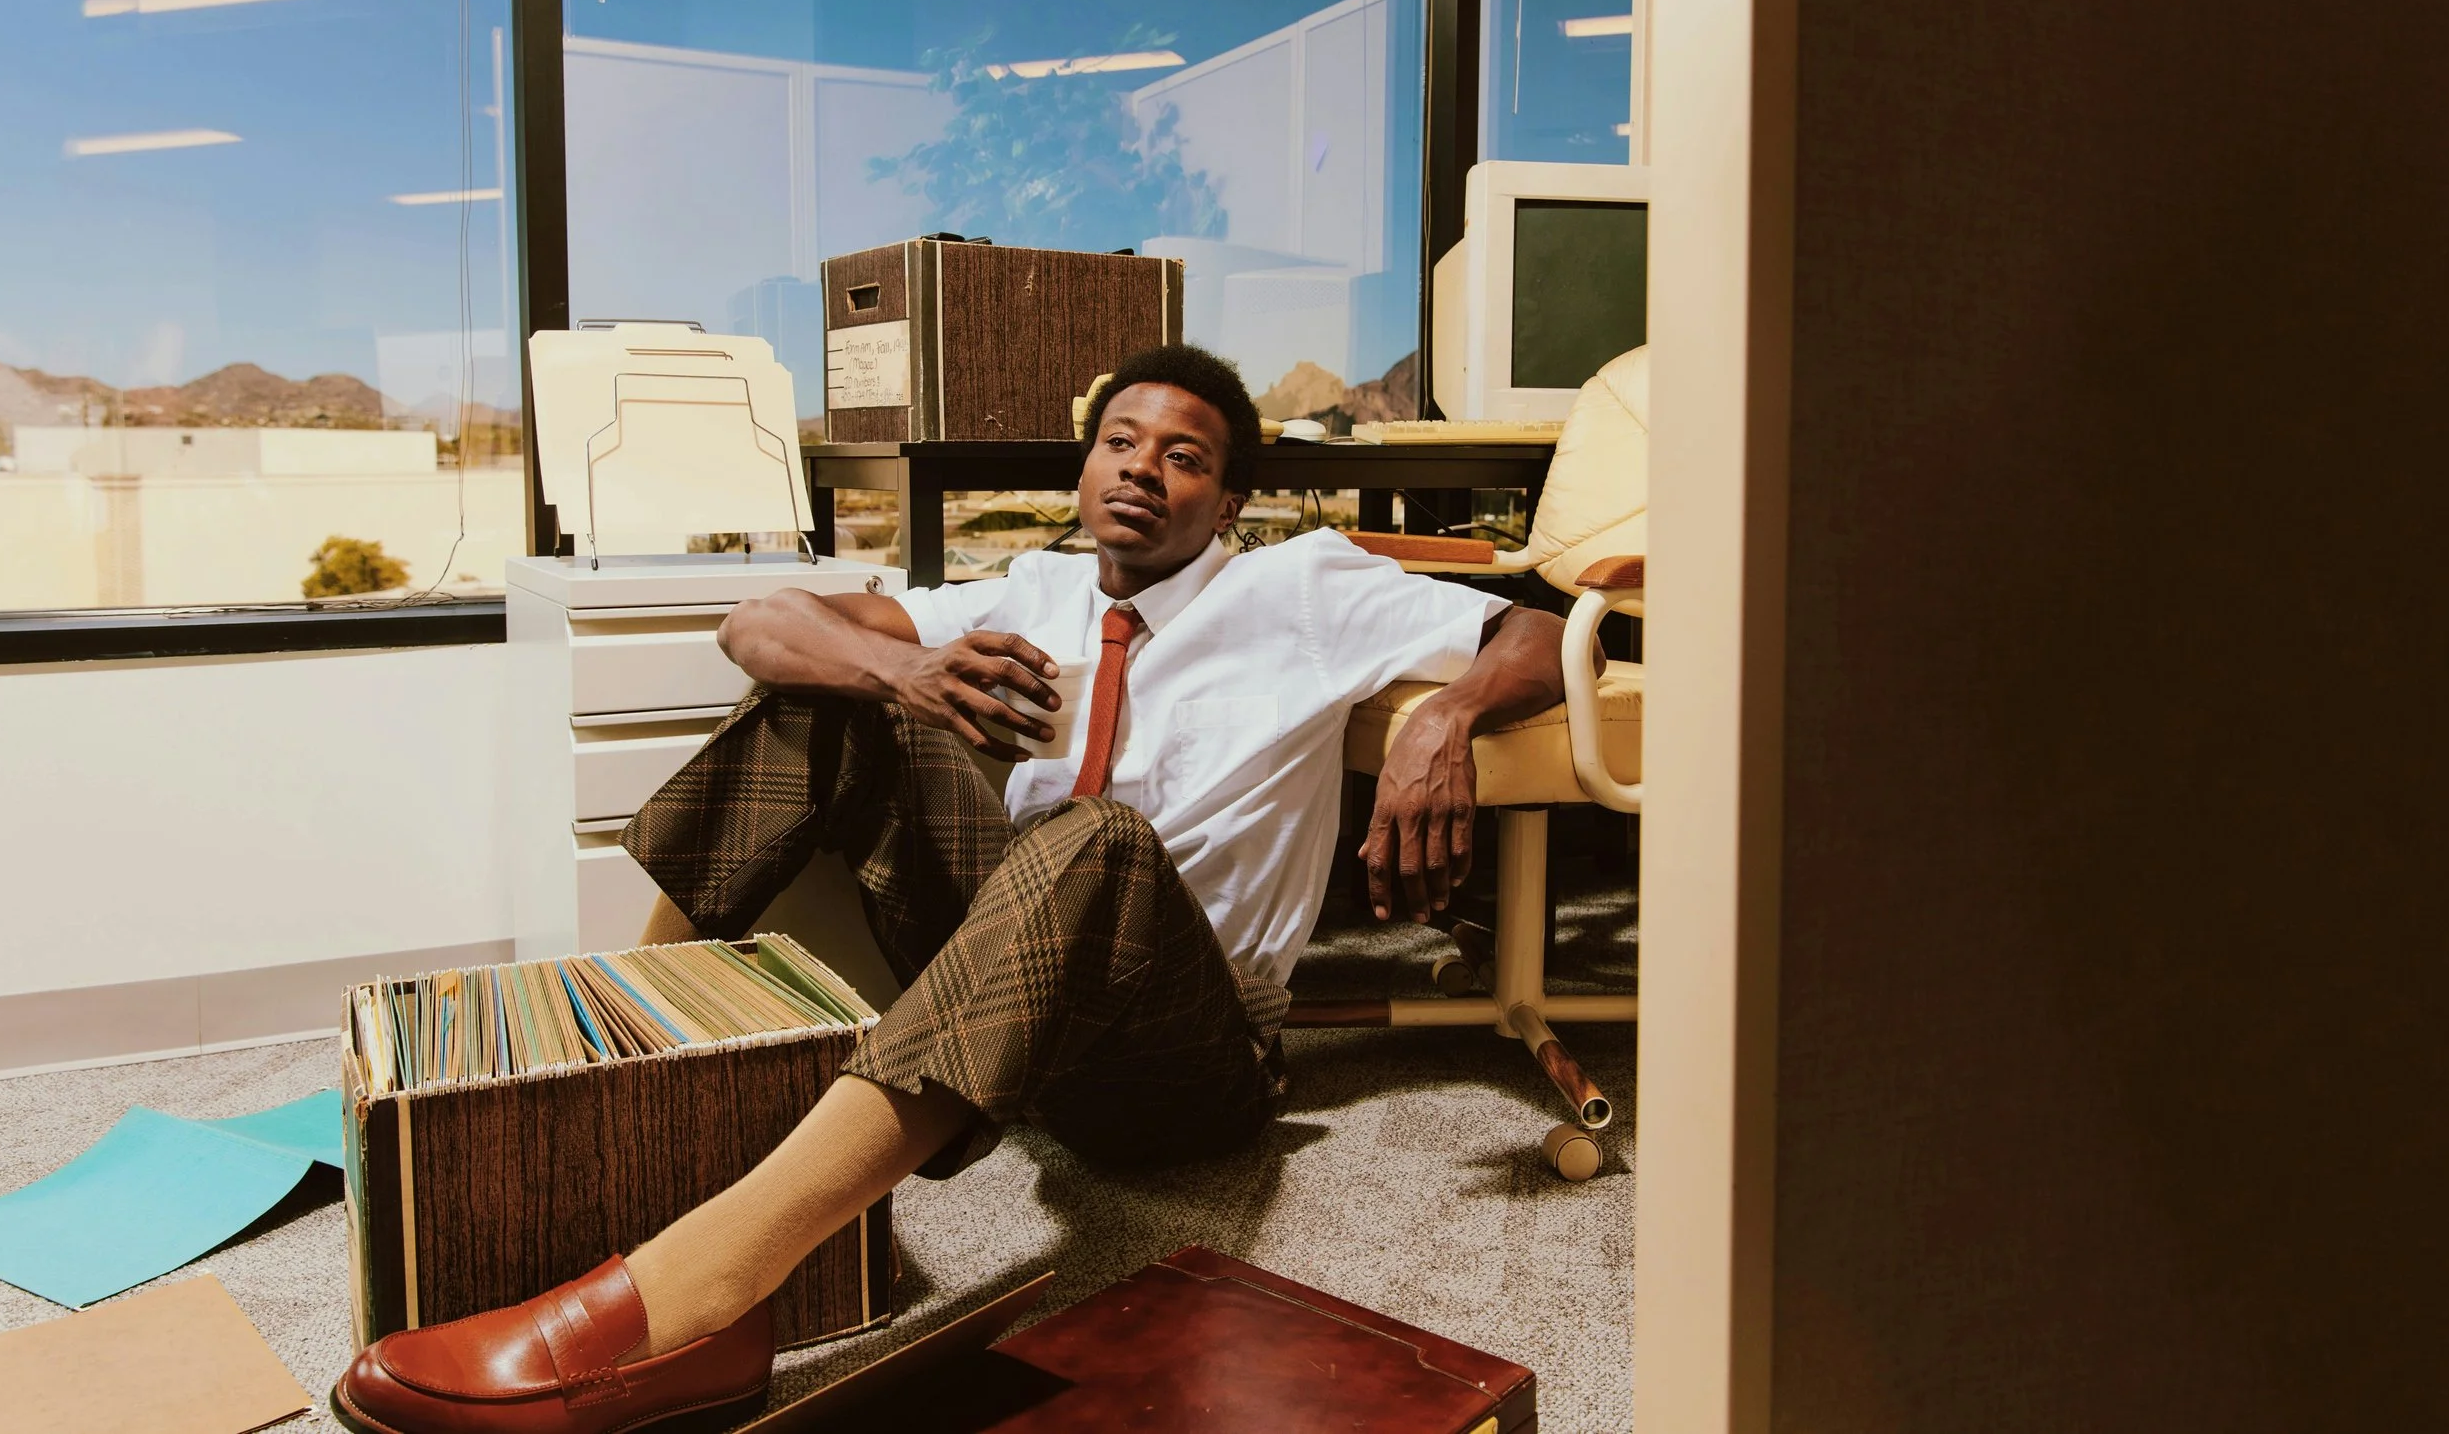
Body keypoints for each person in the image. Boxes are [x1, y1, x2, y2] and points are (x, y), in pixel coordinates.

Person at [331, 344, 1572, 1434]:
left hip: (1188, 1053)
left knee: (1097, 837)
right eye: (1118, 443)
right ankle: (610, 1054)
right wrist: (902, 668)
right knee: (829, 693)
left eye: (1182, 456)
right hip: (1015, 977)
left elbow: (1550, 633)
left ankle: (705, 1298)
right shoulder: (1031, 589)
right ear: (1084, 470)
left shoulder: (1298, 586)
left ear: (1229, 498)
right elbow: (760, 621)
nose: (1140, 469)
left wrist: (1446, 714)